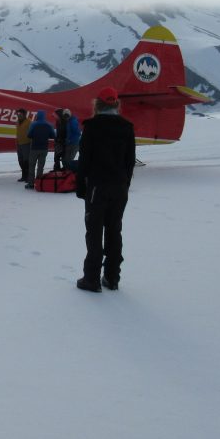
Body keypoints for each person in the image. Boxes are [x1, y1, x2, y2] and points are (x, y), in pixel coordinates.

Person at [75, 87, 135, 292]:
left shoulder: (92, 127)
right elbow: (129, 161)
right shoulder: (127, 127)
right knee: (114, 230)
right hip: (119, 187)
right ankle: (112, 277)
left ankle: (91, 278)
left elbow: (84, 160)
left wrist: (80, 186)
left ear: (97, 104)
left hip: (98, 187)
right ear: (116, 104)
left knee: (94, 232)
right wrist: (125, 184)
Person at [25, 110, 56, 188]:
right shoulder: (49, 125)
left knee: (32, 166)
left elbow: (29, 135)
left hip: (34, 148)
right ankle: (39, 183)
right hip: (44, 148)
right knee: (40, 166)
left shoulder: (33, 124)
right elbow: (53, 136)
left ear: (37, 116)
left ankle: (31, 183)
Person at [16, 109, 32, 182]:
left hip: (27, 143)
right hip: (19, 144)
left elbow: (32, 133)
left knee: (26, 161)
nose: (19, 115)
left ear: (24, 114)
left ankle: (28, 176)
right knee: (20, 160)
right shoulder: (17, 122)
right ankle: (23, 176)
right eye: (18, 114)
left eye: (20, 114)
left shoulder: (29, 122)